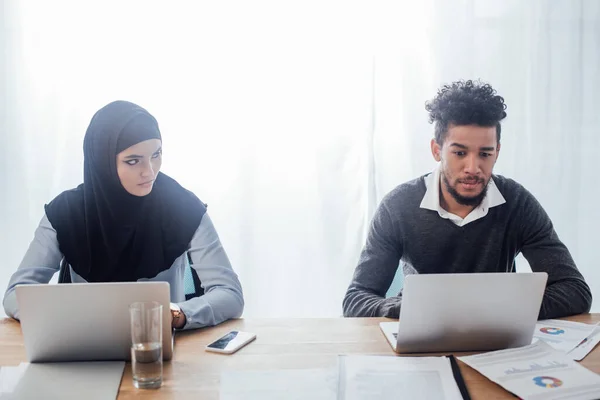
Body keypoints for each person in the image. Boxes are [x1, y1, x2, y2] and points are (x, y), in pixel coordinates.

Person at [343, 80, 592, 320]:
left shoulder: (517, 203)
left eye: (485, 153)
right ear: (437, 150)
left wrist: (502, 310)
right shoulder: (398, 206)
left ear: (497, 152)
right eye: (460, 153)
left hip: (496, 337)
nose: (473, 168)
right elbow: (357, 298)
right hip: (420, 335)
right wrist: (403, 310)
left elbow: (575, 290)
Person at [3, 101, 244, 329]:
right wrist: (64, 316)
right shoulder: (66, 212)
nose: (149, 172)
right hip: (81, 349)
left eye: (156, 155)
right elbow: (15, 294)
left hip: (160, 346)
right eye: (133, 161)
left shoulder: (182, 206)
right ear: (103, 162)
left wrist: (177, 314)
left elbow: (229, 293)